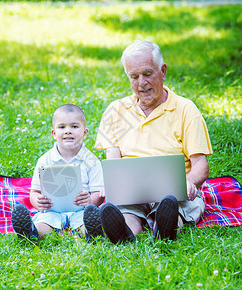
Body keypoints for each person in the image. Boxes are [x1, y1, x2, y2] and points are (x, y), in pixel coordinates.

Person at [84, 40, 213, 244]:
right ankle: (125, 234)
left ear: (163, 71)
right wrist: (113, 186)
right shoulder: (116, 111)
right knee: (126, 210)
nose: (141, 83)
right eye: (134, 77)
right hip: (132, 191)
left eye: (147, 74)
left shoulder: (186, 110)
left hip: (174, 192)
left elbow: (200, 165)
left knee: (172, 205)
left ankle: (165, 228)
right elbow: (114, 163)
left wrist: (189, 182)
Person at [11, 104, 104, 241]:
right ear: (54, 133)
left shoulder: (91, 161)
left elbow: (99, 193)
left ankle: (92, 233)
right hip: (52, 209)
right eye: (62, 127)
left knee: (85, 221)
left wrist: (90, 201)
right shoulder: (45, 160)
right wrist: (37, 202)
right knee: (44, 223)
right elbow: (34, 192)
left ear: (85, 132)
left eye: (74, 126)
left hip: (81, 210)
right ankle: (30, 232)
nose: (68, 131)